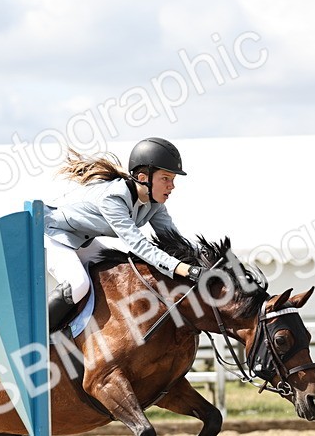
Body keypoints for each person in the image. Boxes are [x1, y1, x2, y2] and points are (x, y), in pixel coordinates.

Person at [43, 137, 203, 331]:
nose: (172, 186)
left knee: (116, 273)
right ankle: (37, 336)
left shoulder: (154, 205)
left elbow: (174, 241)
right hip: (54, 236)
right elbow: (138, 245)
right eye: (165, 178)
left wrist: (202, 261)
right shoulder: (114, 198)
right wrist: (182, 268)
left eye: (173, 180)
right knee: (79, 284)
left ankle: (79, 333)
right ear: (143, 177)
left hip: (81, 241)